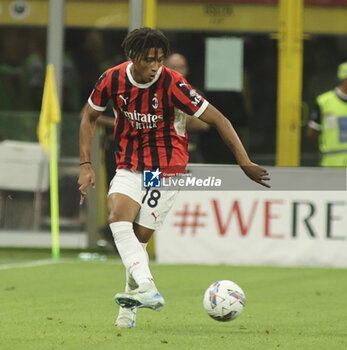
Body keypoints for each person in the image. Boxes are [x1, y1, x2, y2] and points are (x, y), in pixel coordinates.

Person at [78, 27, 270, 329]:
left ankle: (130, 308)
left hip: (166, 170)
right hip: (129, 165)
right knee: (117, 218)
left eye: (159, 59)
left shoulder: (174, 83)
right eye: (149, 59)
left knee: (138, 239)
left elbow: (219, 120)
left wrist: (244, 161)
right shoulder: (112, 78)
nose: (155, 66)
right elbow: (88, 116)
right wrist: (86, 164)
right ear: (133, 57)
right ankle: (149, 288)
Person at [165, 53, 210, 162]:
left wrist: (171, 117)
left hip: (191, 153)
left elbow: (204, 124)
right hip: (164, 154)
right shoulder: (157, 93)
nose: (178, 71)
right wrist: (189, 117)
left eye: (181, 67)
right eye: (173, 67)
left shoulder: (195, 94)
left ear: (186, 69)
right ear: (165, 69)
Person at [307, 61, 347, 167]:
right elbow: (312, 132)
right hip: (333, 166)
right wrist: (324, 147)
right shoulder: (324, 102)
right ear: (344, 79)